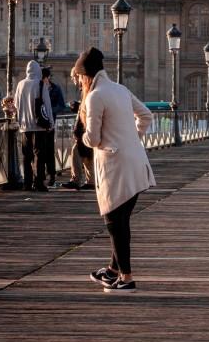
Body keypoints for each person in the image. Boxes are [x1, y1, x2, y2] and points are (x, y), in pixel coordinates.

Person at [73, 46, 155, 293]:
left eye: (78, 77)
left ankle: (127, 279)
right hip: (135, 163)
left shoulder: (95, 96)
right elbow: (147, 116)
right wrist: (132, 138)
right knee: (121, 220)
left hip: (114, 166)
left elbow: (95, 140)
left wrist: (81, 136)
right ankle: (111, 270)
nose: (78, 82)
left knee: (114, 223)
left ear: (86, 74)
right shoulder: (120, 89)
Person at [13, 60, 54, 192]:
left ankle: (27, 182)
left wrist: (19, 121)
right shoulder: (40, 84)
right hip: (39, 126)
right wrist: (51, 123)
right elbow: (47, 105)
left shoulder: (20, 84)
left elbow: (16, 105)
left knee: (26, 155)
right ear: (38, 71)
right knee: (40, 155)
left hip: (25, 125)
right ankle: (39, 182)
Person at [61, 84, 94, 191]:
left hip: (85, 130)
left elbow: (89, 110)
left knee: (77, 152)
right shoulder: (89, 94)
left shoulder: (90, 94)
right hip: (86, 130)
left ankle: (77, 180)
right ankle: (91, 181)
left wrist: (78, 106)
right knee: (88, 155)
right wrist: (77, 106)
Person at [41, 67, 67, 189]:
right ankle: (41, 176)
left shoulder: (55, 89)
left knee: (50, 150)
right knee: (40, 151)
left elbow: (61, 105)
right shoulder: (38, 87)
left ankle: (51, 175)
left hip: (50, 124)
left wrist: (51, 112)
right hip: (39, 123)